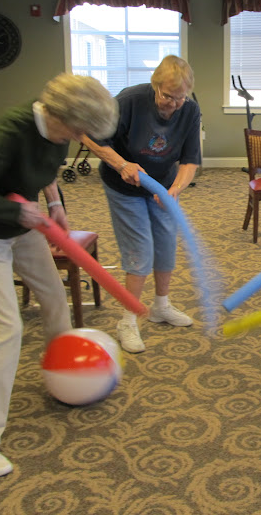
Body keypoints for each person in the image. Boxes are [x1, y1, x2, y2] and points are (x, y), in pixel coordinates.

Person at [0, 74, 119, 477]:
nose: (80, 139)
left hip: (23, 224)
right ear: (62, 116)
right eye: (79, 131)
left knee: (54, 296)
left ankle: (63, 372)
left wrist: (55, 202)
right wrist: (19, 212)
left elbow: (46, 169)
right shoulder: (10, 130)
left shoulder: (59, 130)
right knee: (5, 330)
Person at [85, 55, 201, 353]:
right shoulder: (130, 101)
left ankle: (161, 306)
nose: (173, 104)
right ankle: (127, 320)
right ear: (155, 86)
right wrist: (122, 164)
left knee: (165, 244)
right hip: (124, 185)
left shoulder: (189, 109)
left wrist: (175, 190)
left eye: (180, 98)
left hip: (162, 185)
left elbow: (190, 160)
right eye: (167, 96)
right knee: (140, 250)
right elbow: (90, 136)